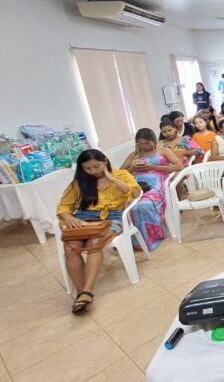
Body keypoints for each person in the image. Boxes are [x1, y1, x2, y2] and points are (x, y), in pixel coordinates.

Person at [57, 149, 140, 314]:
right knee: (70, 247)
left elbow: (136, 192)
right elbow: (64, 207)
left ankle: (86, 292)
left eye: (97, 166)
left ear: (105, 161)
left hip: (113, 217)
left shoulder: (121, 174)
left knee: (95, 243)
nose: (93, 171)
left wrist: (112, 178)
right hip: (83, 217)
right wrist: (72, 220)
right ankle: (82, 294)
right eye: (87, 169)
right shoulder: (79, 182)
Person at [121, 128, 183, 251]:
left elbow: (179, 166)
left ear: (153, 140)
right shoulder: (135, 155)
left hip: (157, 183)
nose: (143, 146)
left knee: (144, 205)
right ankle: (134, 239)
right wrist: (133, 168)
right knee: (128, 205)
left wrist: (154, 166)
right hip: (137, 184)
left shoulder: (164, 150)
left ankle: (150, 237)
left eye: (146, 143)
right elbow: (120, 173)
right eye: (140, 144)